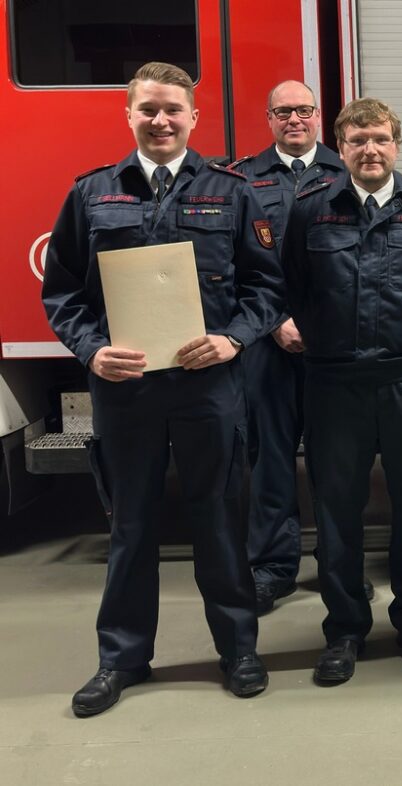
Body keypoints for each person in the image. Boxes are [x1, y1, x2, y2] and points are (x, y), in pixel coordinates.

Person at [42, 62, 282, 717]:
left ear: (193, 117)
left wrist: (233, 338)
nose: (160, 120)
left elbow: (266, 287)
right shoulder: (91, 195)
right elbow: (61, 292)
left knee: (221, 525)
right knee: (132, 527)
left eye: (173, 109)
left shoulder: (232, 192)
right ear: (129, 115)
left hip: (211, 388)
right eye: (148, 108)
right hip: (126, 393)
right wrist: (93, 350)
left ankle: (238, 650)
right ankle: (121, 659)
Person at [281, 98, 402, 685]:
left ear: (397, 144)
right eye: (358, 140)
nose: (370, 150)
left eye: (381, 139)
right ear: (341, 147)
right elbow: (291, 286)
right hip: (335, 383)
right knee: (337, 512)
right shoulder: (310, 213)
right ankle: (344, 629)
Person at [228, 80, 354, 614]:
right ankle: (273, 568)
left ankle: (338, 566)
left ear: (318, 115)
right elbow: (230, 263)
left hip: (332, 343)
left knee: (335, 459)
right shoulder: (241, 180)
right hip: (265, 341)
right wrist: (276, 320)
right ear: (269, 118)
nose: (295, 119)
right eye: (284, 112)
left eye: (304, 110)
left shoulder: (348, 172)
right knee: (271, 456)